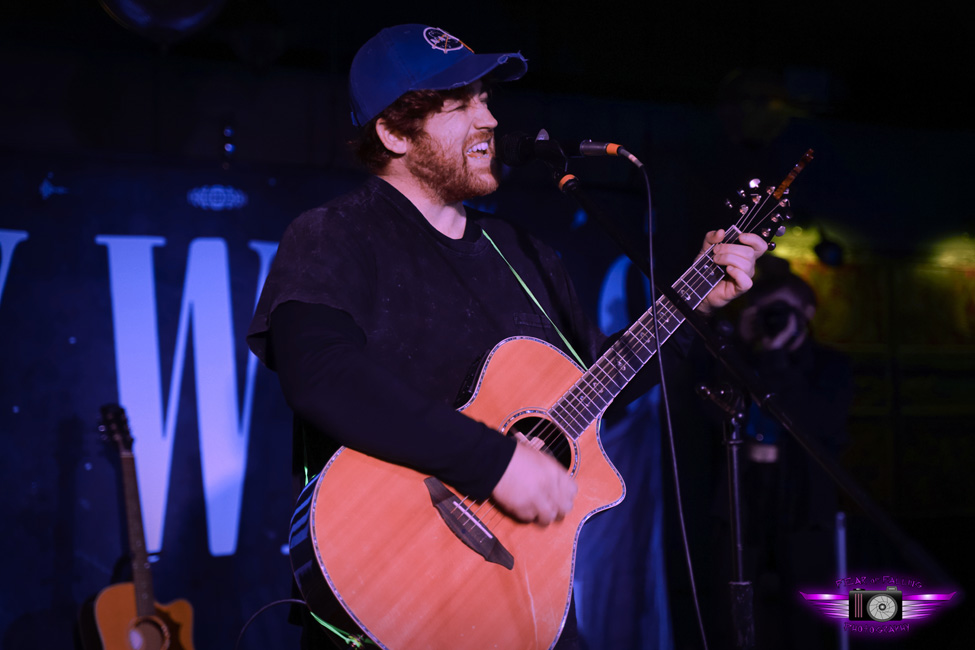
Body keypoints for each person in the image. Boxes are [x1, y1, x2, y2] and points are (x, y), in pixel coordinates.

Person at [246, 23, 767, 649]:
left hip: (519, 596)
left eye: (485, 98)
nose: (489, 118)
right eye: (458, 104)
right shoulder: (335, 234)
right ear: (392, 133)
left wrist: (691, 306)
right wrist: (492, 461)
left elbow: (592, 389)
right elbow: (320, 375)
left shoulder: (526, 254)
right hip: (390, 590)